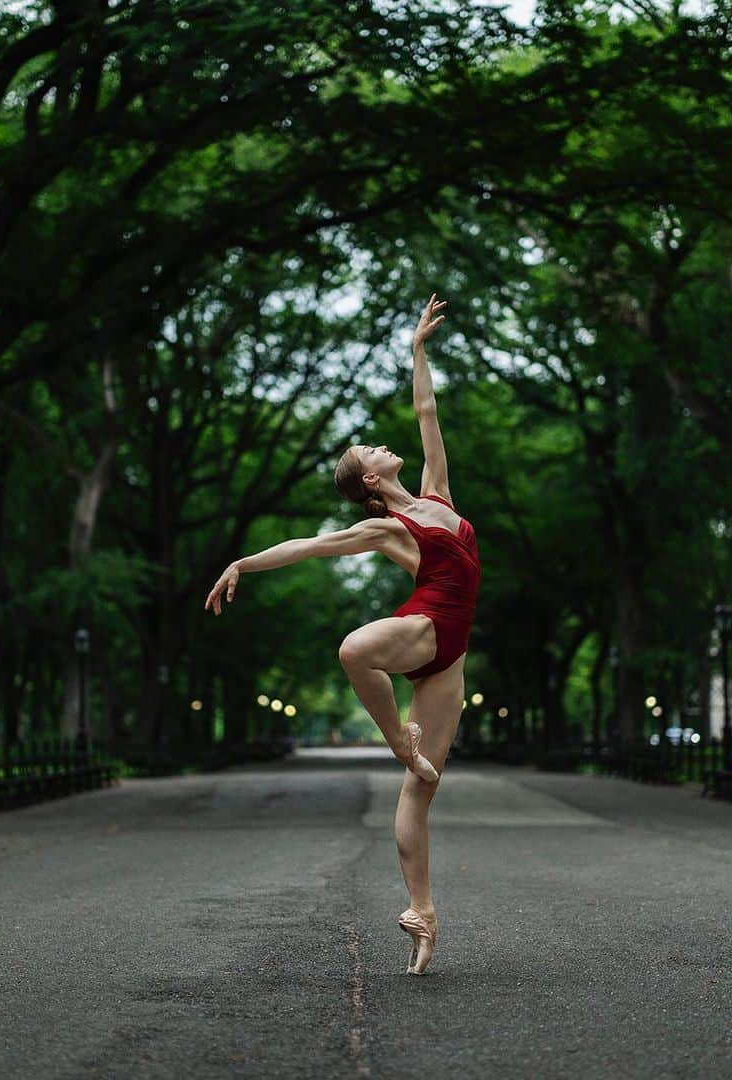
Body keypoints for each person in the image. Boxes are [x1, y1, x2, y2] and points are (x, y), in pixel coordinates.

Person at [204, 293, 481, 974]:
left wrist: (417, 350)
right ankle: (395, 740)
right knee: (356, 649)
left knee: (422, 788)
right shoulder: (386, 526)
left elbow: (426, 413)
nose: (383, 446)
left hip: (451, 662)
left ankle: (422, 912)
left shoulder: (437, 495)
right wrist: (244, 561)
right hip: (425, 626)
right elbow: (307, 546)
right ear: (367, 481)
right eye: (370, 451)